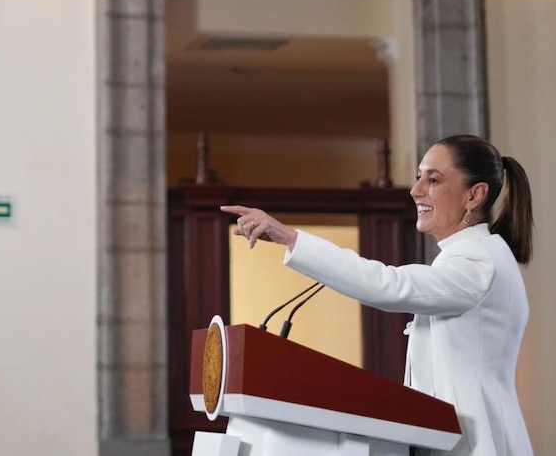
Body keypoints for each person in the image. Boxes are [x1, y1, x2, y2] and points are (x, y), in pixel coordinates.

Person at [222, 134, 534, 456]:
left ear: (474, 195)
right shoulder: (471, 255)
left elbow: (391, 286)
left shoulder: (479, 259)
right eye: (418, 177)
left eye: (433, 179)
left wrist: (289, 238)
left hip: (477, 445)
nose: (416, 190)